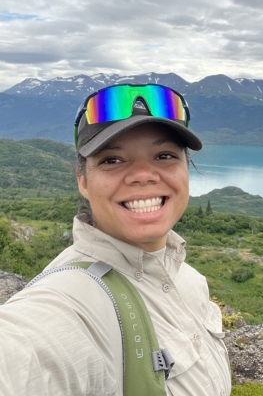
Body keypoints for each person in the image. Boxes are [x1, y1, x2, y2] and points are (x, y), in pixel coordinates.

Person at [0, 83, 231, 396]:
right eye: (112, 160)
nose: (143, 175)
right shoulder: (72, 302)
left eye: (164, 155)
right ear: (82, 180)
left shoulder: (188, 278)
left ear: (185, 170)